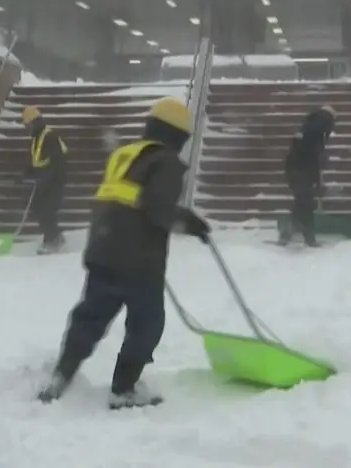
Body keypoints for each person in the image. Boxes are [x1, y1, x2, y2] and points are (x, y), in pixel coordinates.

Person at [36, 97, 212, 410]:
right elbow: (158, 209)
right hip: (139, 260)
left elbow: (131, 198)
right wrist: (190, 223)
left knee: (90, 317)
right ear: (178, 136)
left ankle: (61, 376)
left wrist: (177, 215)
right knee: (146, 324)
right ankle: (123, 388)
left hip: (104, 251)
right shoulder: (166, 161)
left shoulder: (126, 154)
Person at [279, 105, 336, 247]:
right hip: (302, 171)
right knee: (304, 203)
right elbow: (312, 157)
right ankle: (297, 235)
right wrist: (316, 179)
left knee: (304, 203)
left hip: (294, 169)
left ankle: (303, 236)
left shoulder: (307, 126)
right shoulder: (317, 129)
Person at [21, 106, 69, 253]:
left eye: (28, 125)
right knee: (37, 207)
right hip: (43, 180)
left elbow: (57, 162)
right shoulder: (36, 138)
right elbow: (35, 162)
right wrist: (25, 175)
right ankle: (54, 236)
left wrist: (45, 177)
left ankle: (53, 240)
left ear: (35, 122)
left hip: (55, 180)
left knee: (46, 208)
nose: (27, 128)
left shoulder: (50, 136)